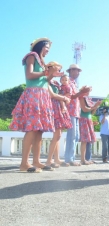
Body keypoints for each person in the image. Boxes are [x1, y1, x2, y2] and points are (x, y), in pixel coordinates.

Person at [10, 37, 63, 172]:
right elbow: (29, 75)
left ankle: (36, 161)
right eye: (46, 48)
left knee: (39, 130)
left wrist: (52, 74)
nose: (48, 51)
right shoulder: (32, 56)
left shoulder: (42, 61)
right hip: (34, 94)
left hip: (42, 95)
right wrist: (46, 72)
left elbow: (44, 80)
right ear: (40, 46)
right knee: (32, 129)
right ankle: (24, 164)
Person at [64, 64, 90, 166]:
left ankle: (71, 158)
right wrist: (81, 92)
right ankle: (69, 159)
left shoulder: (74, 83)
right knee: (72, 135)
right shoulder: (68, 81)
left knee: (76, 135)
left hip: (75, 112)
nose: (78, 73)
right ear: (70, 71)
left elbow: (77, 97)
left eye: (78, 71)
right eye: (76, 70)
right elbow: (72, 96)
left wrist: (83, 92)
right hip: (70, 111)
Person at [46, 70, 72, 168]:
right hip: (54, 108)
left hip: (59, 108)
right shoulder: (46, 81)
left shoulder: (55, 83)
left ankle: (56, 159)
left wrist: (64, 100)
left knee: (58, 135)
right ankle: (49, 160)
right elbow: (53, 95)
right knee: (56, 135)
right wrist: (64, 99)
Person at [79, 90, 102, 165]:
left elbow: (91, 112)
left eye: (89, 91)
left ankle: (87, 159)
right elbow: (84, 109)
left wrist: (96, 106)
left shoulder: (88, 99)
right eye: (87, 91)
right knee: (84, 140)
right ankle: (83, 159)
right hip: (83, 119)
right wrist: (94, 106)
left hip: (89, 119)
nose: (88, 92)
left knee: (88, 140)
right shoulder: (81, 98)